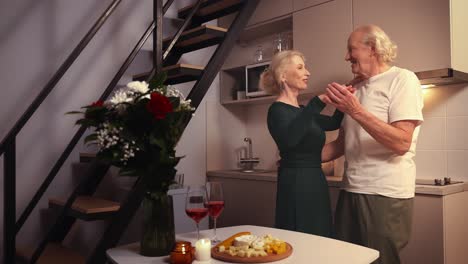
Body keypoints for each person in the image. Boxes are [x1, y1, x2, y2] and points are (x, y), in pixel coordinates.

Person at [322, 25, 424, 264]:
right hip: (351, 189)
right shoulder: (355, 88)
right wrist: (299, 158)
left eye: (351, 49)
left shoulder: (403, 79)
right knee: (347, 260)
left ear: (373, 49)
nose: (346, 57)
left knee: (380, 261)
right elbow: (342, 144)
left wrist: (355, 110)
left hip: (384, 193)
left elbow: (401, 142)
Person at [260, 50, 345, 237]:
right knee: (300, 234)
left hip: (316, 179)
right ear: (283, 76)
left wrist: (343, 101)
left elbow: (333, 123)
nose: (308, 73)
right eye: (300, 67)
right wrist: (316, 103)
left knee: (320, 233)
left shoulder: (302, 110)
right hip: (296, 182)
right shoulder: (277, 110)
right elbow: (290, 140)